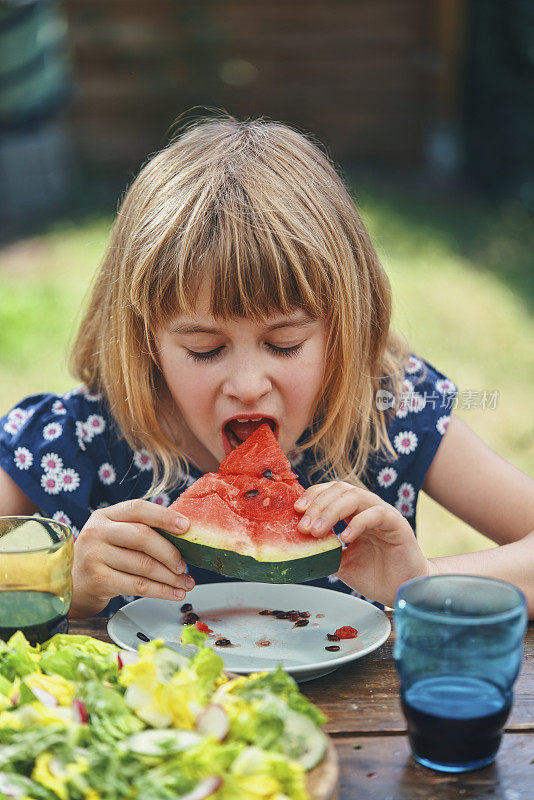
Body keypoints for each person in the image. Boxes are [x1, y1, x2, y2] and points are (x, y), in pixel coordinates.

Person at [1, 116, 533, 620]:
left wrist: (418, 583)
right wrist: (64, 586)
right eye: (205, 349)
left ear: (342, 330)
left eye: (284, 344)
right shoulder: (78, 438)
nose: (249, 386)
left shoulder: (386, 412)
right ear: (146, 341)